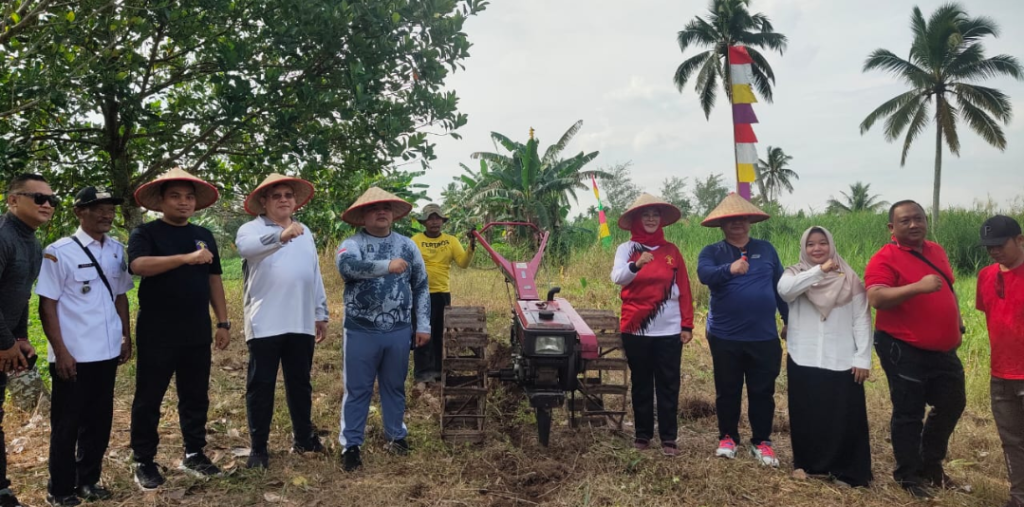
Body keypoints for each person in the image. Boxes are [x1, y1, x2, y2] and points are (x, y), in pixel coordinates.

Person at [127, 168, 231, 490]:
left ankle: (194, 452)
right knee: (149, 397)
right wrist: (186, 258)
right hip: (157, 328)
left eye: (189, 197)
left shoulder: (203, 235)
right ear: (161, 201)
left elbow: (214, 279)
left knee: (195, 394)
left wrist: (223, 322)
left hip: (196, 328)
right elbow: (138, 266)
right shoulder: (146, 233)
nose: (184, 202)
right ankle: (144, 459)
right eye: (176, 196)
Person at [36, 186, 133, 506]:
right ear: (79, 212)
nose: (107, 214)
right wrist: (61, 351)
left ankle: (88, 480)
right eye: (98, 208)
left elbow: (120, 296)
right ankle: (60, 489)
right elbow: (46, 305)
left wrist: (125, 335)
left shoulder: (117, 250)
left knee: (99, 420)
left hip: (106, 352)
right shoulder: (60, 251)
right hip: (74, 354)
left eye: (110, 209)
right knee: (67, 424)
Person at [865, 200, 965, 499]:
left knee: (952, 402)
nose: (913, 225)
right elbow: (876, 297)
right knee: (909, 411)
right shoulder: (884, 258)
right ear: (891, 227)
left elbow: (948, 285)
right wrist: (917, 287)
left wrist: (957, 321)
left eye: (918, 219)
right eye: (905, 220)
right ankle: (907, 474)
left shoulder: (936, 250)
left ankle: (930, 465)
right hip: (902, 346)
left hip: (942, 349)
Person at [236, 173, 329, 470]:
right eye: (276, 196)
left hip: (300, 320)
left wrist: (320, 312)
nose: (284, 200)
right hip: (265, 321)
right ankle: (259, 448)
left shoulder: (306, 232)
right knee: (261, 385)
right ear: (263, 202)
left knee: (300, 383)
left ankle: (304, 437)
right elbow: (247, 249)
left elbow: (312, 273)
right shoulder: (250, 229)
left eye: (288, 195)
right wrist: (280, 235)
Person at [335, 187, 430, 472]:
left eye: (386, 208)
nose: (381, 213)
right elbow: (347, 267)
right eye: (374, 209)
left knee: (394, 385)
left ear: (393, 215)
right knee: (357, 388)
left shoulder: (407, 246)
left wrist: (423, 324)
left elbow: (421, 285)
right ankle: (351, 444)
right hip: (360, 329)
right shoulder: (352, 243)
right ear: (363, 215)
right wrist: (386, 266)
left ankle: (396, 435)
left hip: (399, 329)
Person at [696, 193, 788, 467]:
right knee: (727, 389)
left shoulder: (767, 249)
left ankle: (761, 441)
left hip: (764, 335)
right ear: (722, 225)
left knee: (763, 390)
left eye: (742, 218)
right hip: (725, 335)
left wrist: (788, 319)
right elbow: (704, 275)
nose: (737, 223)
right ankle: (727, 437)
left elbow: (780, 287)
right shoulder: (712, 252)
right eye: (730, 220)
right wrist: (730, 269)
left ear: (750, 221)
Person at [777, 226, 872, 487]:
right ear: (804, 248)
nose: (817, 249)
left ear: (831, 245)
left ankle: (848, 472)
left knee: (843, 416)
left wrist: (863, 357)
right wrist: (819, 271)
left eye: (822, 243)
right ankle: (807, 465)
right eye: (811, 244)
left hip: (841, 357)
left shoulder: (850, 278)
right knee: (806, 414)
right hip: (803, 356)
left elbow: (861, 319)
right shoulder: (794, 273)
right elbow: (785, 292)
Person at [610, 194, 694, 457]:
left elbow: (684, 289)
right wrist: (636, 264)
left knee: (669, 383)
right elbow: (617, 278)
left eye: (655, 214)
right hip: (635, 329)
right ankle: (643, 435)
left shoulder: (672, 252)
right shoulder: (627, 249)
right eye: (645, 215)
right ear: (636, 219)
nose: (650, 219)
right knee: (642, 382)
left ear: (661, 220)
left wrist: (687, 324)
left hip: (669, 330)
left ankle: (669, 439)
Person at [0, 173, 53, 507]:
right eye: (38, 198)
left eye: (51, 199)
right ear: (13, 200)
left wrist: (20, 337)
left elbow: (20, 295)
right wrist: (6, 342)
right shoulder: (3, 237)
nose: (46, 204)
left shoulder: (32, 242)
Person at [975, 215, 1024, 507]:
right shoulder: (986, 276)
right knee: (1012, 442)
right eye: (988, 246)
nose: (994, 251)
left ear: (1020, 240)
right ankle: (1018, 497)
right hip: (1001, 375)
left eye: (1000, 244)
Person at [410, 203, 474, 383]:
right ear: (424, 222)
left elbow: (463, 263)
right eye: (430, 218)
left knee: (439, 333)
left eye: (437, 218)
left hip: (442, 294)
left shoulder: (451, 241)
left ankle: (438, 371)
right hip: (421, 294)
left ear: (442, 221)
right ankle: (422, 373)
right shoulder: (415, 241)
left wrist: (471, 246)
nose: (434, 221)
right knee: (421, 333)